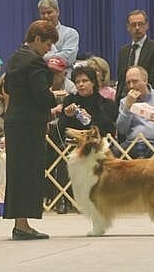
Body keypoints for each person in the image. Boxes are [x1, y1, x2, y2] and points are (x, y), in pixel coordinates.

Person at [4, 20, 58, 240]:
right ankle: (23, 226)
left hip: (14, 121)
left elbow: (6, 87)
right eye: (47, 44)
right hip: (29, 124)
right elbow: (42, 96)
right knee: (29, 172)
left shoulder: (15, 58)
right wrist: (55, 99)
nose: (49, 49)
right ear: (37, 39)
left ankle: (20, 223)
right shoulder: (35, 63)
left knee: (17, 173)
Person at [47, 66, 118, 213]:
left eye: (85, 81)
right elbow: (60, 130)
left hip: (97, 146)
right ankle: (63, 199)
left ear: (93, 83)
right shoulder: (69, 100)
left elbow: (109, 129)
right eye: (77, 81)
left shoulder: (105, 103)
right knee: (63, 157)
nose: (81, 84)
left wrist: (91, 118)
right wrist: (66, 116)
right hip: (72, 146)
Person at [115, 66, 154, 160]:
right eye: (128, 83)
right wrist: (127, 108)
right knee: (113, 154)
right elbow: (121, 129)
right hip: (133, 144)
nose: (131, 86)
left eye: (135, 81)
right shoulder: (125, 101)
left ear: (145, 80)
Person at [115, 10, 154, 104]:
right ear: (128, 28)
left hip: (146, 101)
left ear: (147, 26)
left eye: (140, 24)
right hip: (124, 100)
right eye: (133, 25)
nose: (137, 28)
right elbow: (121, 80)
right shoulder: (123, 51)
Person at [38, 0, 79, 71]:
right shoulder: (35, 34)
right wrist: (57, 55)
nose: (46, 16)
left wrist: (42, 58)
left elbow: (68, 58)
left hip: (64, 76)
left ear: (58, 12)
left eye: (49, 12)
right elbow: (28, 56)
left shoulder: (70, 33)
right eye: (43, 13)